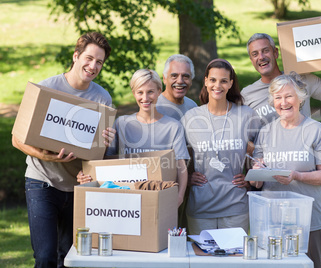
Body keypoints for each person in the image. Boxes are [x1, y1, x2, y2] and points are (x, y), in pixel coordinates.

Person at [11, 32, 115, 268]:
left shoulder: (102, 98)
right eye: (89, 58)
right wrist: (45, 156)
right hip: (42, 181)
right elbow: (17, 139)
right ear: (76, 56)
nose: (93, 66)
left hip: (78, 186)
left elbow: (97, 153)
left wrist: (105, 140)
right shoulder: (46, 89)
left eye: (99, 62)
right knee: (45, 256)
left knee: (70, 258)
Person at [250, 72, 321, 268]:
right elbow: (256, 181)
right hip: (271, 221)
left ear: (300, 98)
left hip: (308, 221)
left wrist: (296, 176)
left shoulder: (315, 129)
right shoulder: (265, 132)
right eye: (278, 98)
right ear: (272, 102)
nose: (284, 102)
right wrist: (257, 170)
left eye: (289, 96)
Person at [79, 69, 190, 207]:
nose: (145, 98)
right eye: (140, 92)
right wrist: (87, 174)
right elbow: (106, 161)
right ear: (133, 93)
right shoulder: (122, 123)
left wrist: (179, 197)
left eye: (150, 92)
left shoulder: (173, 126)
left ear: (159, 91)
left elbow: (181, 166)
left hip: (160, 198)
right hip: (126, 199)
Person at [181, 59, 261, 235]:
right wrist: (187, 177)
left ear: (231, 83)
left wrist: (251, 179)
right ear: (206, 81)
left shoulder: (246, 115)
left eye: (224, 81)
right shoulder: (191, 118)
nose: (218, 85)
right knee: (203, 262)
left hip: (236, 207)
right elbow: (178, 156)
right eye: (213, 80)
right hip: (200, 208)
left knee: (234, 262)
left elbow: (262, 149)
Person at [242, 27, 321, 124]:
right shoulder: (246, 95)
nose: (261, 57)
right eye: (255, 54)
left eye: (265, 51)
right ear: (251, 60)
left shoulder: (301, 80)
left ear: (275, 53)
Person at [156, 54, 198, 121]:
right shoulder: (155, 108)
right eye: (174, 75)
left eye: (185, 76)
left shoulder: (193, 106)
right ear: (164, 78)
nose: (180, 81)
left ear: (191, 80)